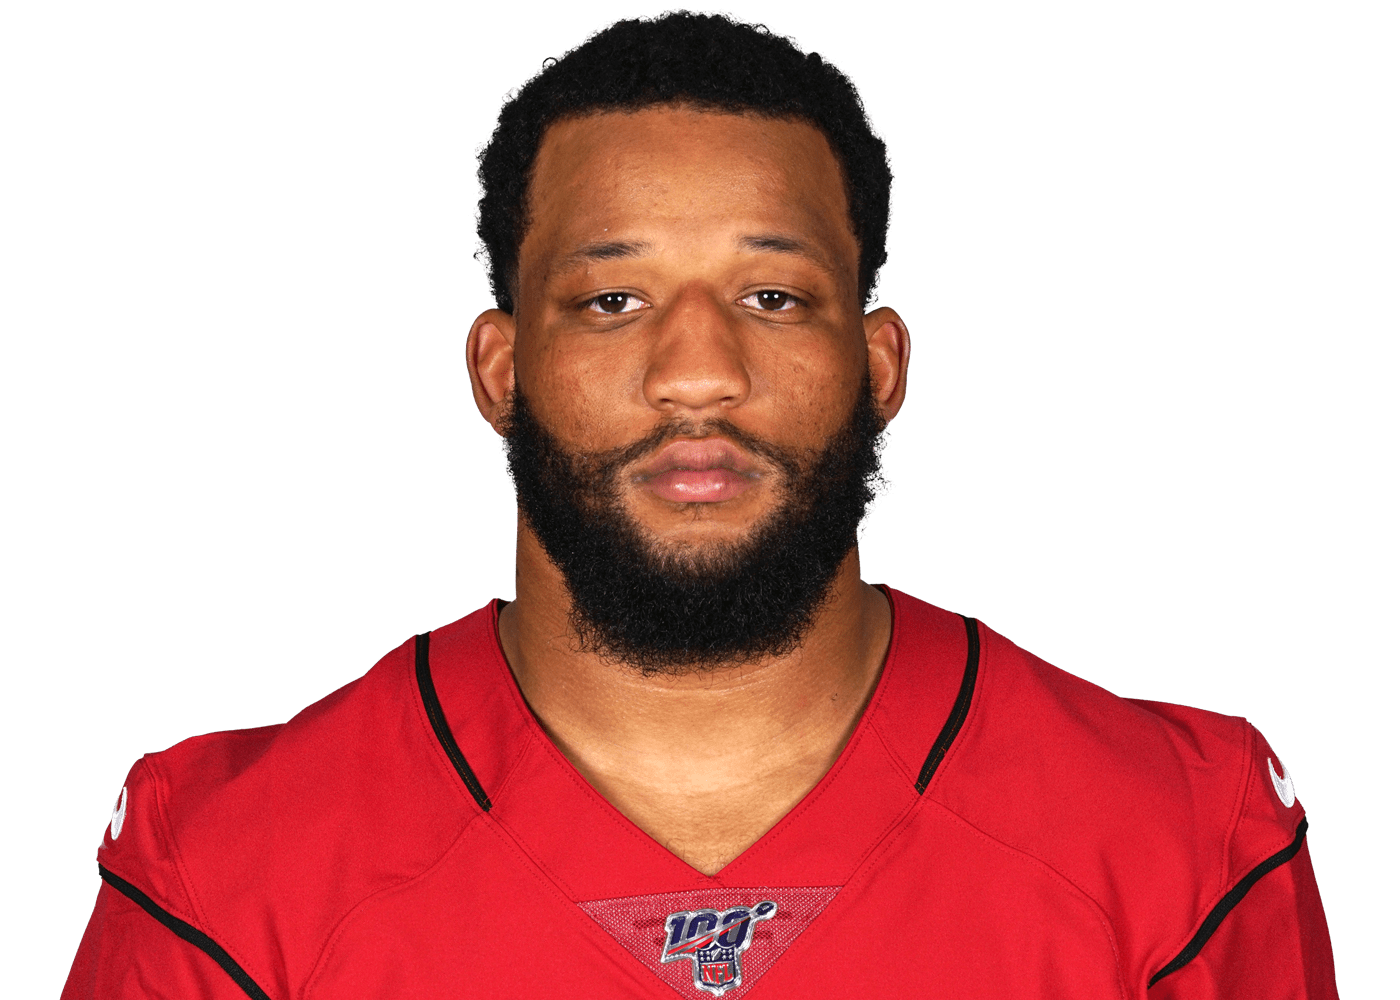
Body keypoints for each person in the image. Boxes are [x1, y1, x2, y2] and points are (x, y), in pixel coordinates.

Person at [62, 11, 1338, 999]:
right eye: (610, 300)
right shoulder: (225, 869)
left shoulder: (1181, 840)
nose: (695, 372)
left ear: (877, 362)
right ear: (500, 369)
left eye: (771, 297)